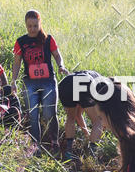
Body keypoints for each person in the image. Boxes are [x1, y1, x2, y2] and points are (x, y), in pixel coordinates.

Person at [11, 10, 67, 154]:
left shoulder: (48, 39)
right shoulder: (21, 42)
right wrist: (13, 80)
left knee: (49, 114)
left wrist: (61, 65)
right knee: (33, 115)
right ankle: (36, 146)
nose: (32, 29)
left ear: (40, 24)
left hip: (48, 82)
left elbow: (57, 55)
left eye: (35, 26)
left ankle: (54, 143)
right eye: (29, 26)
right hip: (30, 83)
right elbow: (16, 62)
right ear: (26, 25)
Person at [58, 71, 105, 162]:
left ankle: (68, 153)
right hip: (85, 81)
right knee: (97, 120)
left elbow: (78, 115)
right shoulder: (102, 85)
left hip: (65, 83)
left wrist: (87, 134)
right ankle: (92, 156)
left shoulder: (91, 77)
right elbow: (103, 117)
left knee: (70, 117)